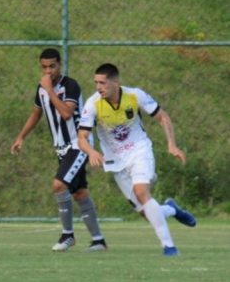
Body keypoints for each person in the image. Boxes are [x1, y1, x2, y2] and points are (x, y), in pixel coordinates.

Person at [77, 63, 196, 256]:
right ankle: (172, 209)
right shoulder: (93, 104)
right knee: (146, 213)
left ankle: (169, 247)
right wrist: (91, 151)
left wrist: (172, 144)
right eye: (96, 83)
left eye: (103, 83)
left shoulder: (135, 95)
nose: (98, 87)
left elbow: (163, 118)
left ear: (116, 82)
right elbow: (82, 136)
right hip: (116, 162)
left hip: (140, 151)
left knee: (141, 191)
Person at [11, 48, 107, 252]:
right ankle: (98, 240)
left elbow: (66, 113)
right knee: (80, 193)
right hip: (62, 149)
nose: (48, 71)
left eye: (52, 66)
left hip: (79, 144)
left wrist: (49, 90)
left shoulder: (70, 85)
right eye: (44, 67)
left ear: (59, 65)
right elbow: (36, 113)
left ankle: (67, 235)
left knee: (58, 185)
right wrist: (21, 137)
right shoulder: (42, 89)